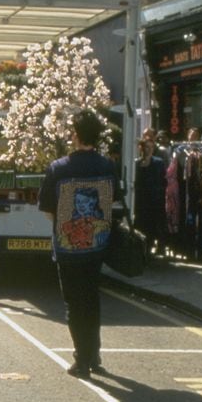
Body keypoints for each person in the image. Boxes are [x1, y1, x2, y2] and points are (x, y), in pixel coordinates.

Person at [38, 108, 122, 380]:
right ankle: (94, 354)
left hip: (68, 248)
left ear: (75, 134)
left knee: (74, 303)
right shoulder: (107, 166)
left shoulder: (59, 168)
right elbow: (111, 203)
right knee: (92, 299)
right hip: (98, 245)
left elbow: (48, 209)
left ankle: (81, 360)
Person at [135, 137, 167, 255]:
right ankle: (143, 250)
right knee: (142, 225)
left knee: (154, 225)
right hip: (141, 200)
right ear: (141, 148)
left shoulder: (158, 163)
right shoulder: (137, 163)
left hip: (155, 199)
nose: (148, 150)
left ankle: (154, 248)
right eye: (146, 147)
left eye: (150, 147)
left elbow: (163, 180)